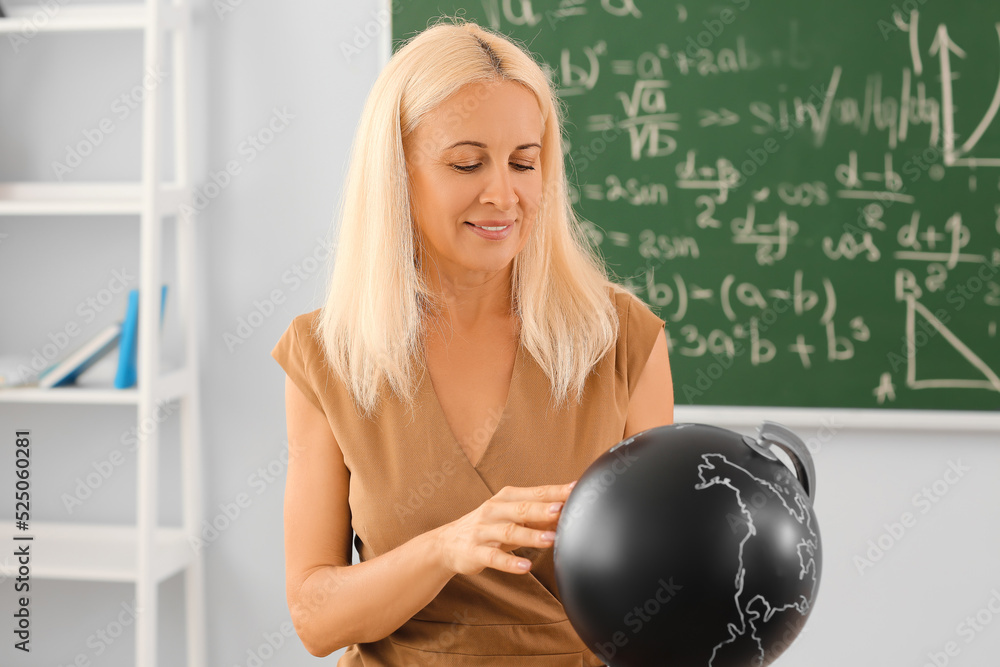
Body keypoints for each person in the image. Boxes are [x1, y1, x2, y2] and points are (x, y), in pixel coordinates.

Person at [271, 17, 673, 666]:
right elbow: (316, 619)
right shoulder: (327, 354)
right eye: (466, 162)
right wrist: (445, 547)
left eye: (524, 162)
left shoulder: (621, 341)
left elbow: (661, 588)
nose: (503, 194)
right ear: (396, 171)